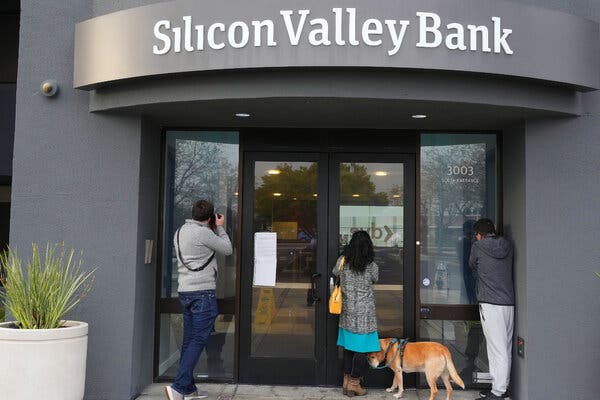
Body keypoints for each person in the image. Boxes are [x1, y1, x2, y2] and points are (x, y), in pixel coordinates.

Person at [165, 200, 233, 400]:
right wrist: (220, 228)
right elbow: (227, 249)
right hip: (202, 292)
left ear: (192, 214)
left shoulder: (180, 231)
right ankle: (178, 387)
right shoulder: (204, 233)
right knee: (199, 339)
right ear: (210, 217)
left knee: (189, 339)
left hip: (185, 292)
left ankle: (187, 388)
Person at [469, 218, 514, 399]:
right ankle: (502, 386)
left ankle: (498, 391)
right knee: (506, 347)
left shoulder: (478, 247)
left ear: (479, 235)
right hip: (508, 303)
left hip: (489, 303)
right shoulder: (508, 245)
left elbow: (472, 265)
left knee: (496, 349)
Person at [333, 230, 380, 397]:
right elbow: (376, 279)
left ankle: (346, 382)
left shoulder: (343, 261)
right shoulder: (371, 266)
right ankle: (354, 383)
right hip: (365, 312)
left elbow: (335, 273)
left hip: (347, 311)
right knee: (363, 349)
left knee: (349, 348)